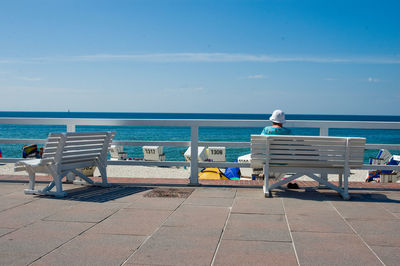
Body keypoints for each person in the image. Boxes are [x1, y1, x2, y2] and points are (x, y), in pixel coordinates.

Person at [261, 109, 299, 189]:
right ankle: (272, 177)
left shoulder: (266, 130)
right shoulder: (288, 132)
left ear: (272, 120)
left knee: (265, 157)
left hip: (269, 160)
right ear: (282, 122)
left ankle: (266, 175)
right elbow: (295, 144)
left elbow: (260, 143)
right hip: (284, 161)